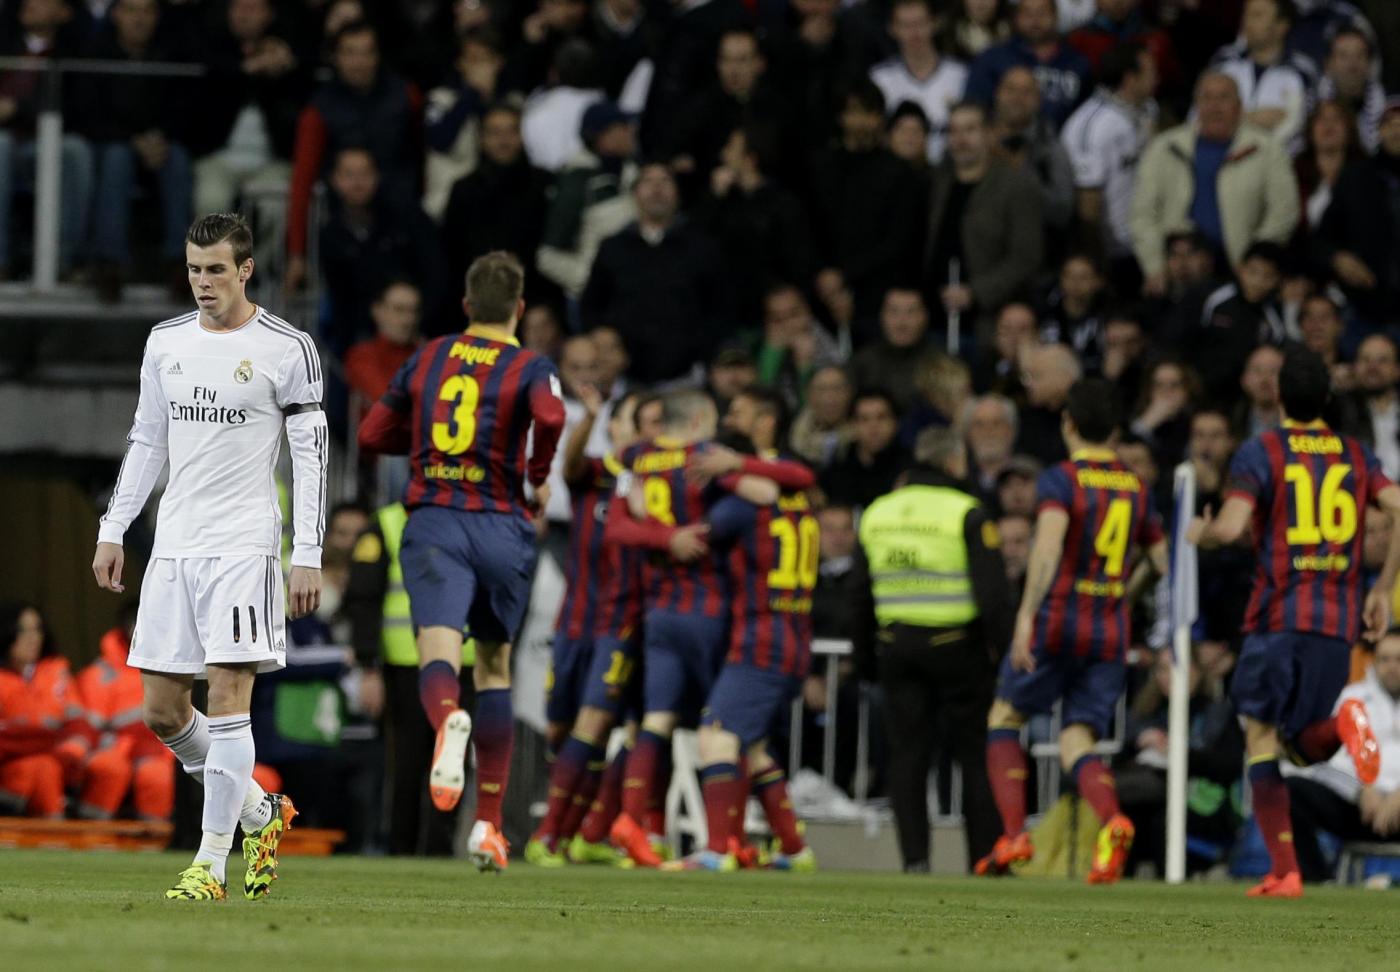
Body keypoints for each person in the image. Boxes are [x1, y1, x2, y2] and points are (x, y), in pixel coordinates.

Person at [92, 213, 324, 901]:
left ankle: (211, 865)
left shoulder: (288, 348)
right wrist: (113, 527)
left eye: (216, 269)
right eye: (194, 270)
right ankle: (259, 812)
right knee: (163, 713)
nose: (203, 282)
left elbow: (312, 457)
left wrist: (307, 552)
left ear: (245, 269)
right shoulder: (165, 342)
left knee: (227, 696)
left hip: (244, 546)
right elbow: (147, 439)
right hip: (175, 544)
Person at [357, 251, 567, 872]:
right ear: (520, 309)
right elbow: (552, 414)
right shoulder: (530, 364)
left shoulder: (430, 356)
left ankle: (448, 720)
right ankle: (488, 827)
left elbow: (371, 434)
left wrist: (424, 441)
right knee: (495, 669)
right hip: (502, 524)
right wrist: (536, 474)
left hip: (437, 521)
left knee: (440, 653)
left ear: (468, 305)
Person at [1189, 347, 1400, 898]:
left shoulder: (1262, 450)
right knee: (1301, 748)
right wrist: (1381, 588)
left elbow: (1231, 527)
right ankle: (1343, 725)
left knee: (1259, 737)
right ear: (1327, 397)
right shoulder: (1355, 453)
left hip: (1278, 616)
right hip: (1336, 624)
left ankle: (1284, 872)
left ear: (1279, 395)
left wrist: (1200, 532)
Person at [602, 390, 813, 866]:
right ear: (699, 421)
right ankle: (739, 843)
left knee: (663, 722)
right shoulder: (708, 462)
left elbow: (616, 526)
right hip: (720, 615)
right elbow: (772, 490)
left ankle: (638, 824)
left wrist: (660, 532)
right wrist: (729, 474)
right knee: (734, 737)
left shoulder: (638, 461)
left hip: (665, 611)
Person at [980, 378, 1168, 884]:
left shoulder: (1063, 479)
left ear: (1068, 424)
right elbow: (1160, 559)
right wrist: (1124, 593)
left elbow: (1047, 546)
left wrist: (1026, 615)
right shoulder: (1135, 485)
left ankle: (1014, 834)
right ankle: (1112, 819)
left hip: (1059, 619)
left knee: (1005, 715)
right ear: (1116, 431)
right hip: (1109, 629)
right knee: (1077, 737)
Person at [855, 427, 1014, 872]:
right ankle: (985, 859)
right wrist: (1004, 655)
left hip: (897, 649)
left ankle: (915, 861)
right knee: (975, 757)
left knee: (907, 758)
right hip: (957, 649)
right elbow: (993, 596)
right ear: (953, 462)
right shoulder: (966, 512)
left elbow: (859, 594)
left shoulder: (878, 513)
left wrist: (865, 661)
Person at [679, 454, 821, 872]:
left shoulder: (747, 510)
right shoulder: (801, 505)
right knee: (753, 749)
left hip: (760, 642)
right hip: (795, 638)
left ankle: (717, 851)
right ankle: (795, 850)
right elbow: (800, 474)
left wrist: (721, 483)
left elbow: (703, 535)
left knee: (716, 738)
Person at [525, 389, 644, 866]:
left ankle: (551, 835)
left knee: (595, 724)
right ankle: (584, 834)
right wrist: (588, 418)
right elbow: (568, 465)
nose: (644, 430)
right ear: (614, 427)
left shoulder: (657, 485)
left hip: (622, 626)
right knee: (562, 732)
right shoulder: (595, 474)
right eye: (635, 419)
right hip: (574, 622)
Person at [344, 501, 475, 857]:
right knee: (408, 763)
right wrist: (369, 666)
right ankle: (403, 848)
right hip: (407, 665)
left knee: (450, 762)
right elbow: (364, 597)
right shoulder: (388, 523)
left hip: (459, 662)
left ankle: (438, 850)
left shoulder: (470, 517)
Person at [1130, 73, 1299, 297]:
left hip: (1241, 276)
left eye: (1223, 98)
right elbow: (1142, 214)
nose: (1215, 107)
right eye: (1207, 98)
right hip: (1177, 278)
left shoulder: (1267, 149)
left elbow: (1284, 211)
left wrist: (1255, 265)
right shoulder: (1165, 147)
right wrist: (1155, 267)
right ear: (1197, 105)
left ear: (1239, 106)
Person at [76, 0, 195, 302]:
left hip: (160, 142)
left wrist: (160, 135)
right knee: (116, 159)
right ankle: (110, 263)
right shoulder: (97, 55)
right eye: (131, 10)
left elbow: (186, 108)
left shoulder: (171, 54)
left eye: (146, 11)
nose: (139, 19)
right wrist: (133, 139)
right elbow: (88, 115)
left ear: (157, 17)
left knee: (178, 159)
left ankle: (180, 262)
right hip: (113, 143)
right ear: (116, 14)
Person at [580, 163, 730, 384]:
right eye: (648, 182)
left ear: (678, 193)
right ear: (634, 194)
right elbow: (591, 305)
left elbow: (720, 308)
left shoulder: (701, 247)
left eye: (665, 181)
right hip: (623, 378)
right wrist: (603, 337)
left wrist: (701, 351)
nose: (656, 189)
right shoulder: (613, 247)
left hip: (685, 376)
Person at [923, 101, 1043, 349]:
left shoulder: (1016, 187)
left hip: (986, 326)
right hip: (931, 320)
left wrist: (975, 292)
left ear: (990, 134)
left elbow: (1026, 257)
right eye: (954, 131)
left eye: (970, 129)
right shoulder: (936, 180)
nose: (960, 139)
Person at [1286, 631, 1400, 883]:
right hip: (1360, 810)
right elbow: (1328, 760)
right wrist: (1361, 789)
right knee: (1291, 789)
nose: (1392, 667)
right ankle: (1317, 882)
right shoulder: (1351, 698)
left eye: (1399, 659)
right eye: (1385, 659)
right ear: (1373, 661)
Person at [1060, 41, 1158, 272]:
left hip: (1146, 240)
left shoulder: (1148, 109)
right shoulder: (1091, 126)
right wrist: (1098, 264)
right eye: (1151, 72)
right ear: (1130, 79)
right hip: (1113, 251)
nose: (1157, 78)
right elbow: (1087, 206)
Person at [73, 604, 177, 821]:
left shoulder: (176, 669)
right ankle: (93, 832)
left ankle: (156, 837)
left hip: (161, 752)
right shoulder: (99, 675)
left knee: (157, 774)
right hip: (111, 752)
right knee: (110, 768)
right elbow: (85, 729)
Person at [0, 604, 85, 820]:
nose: (33, 638)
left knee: (44, 767)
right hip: (9, 769)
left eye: (37, 629)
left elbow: (78, 725)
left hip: (58, 764)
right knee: (38, 767)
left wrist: (68, 751)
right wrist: (42, 742)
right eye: (23, 630)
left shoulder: (57, 671)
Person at [964, 0, 1093, 131]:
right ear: (1016, 17)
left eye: (1042, 13)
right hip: (1004, 138)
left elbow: (1087, 114)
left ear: (1056, 17)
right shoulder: (993, 58)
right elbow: (974, 108)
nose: (1035, 20)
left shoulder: (1078, 63)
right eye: (1027, 14)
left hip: (1063, 139)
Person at [1206, 0, 1316, 152]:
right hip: (1220, 157)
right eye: (1246, 15)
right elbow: (1199, 118)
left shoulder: (1302, 72)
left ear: (1281, 26)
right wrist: (1251, 120)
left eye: (1257, 15)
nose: (1247, 23)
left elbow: (1303, 128)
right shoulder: (1224, 62)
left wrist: (1230, 120)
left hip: (1281, 160)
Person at [868, 0, 969, 163]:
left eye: (920, 23)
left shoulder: (960, 75)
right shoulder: (879, 79)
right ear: (893, 29)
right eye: (906, 25)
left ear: (934, 23)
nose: (914, 33)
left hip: (950, 169)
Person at [820, 390, 910, 509]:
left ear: (895, 423)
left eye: (881, 417)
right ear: (852, 425)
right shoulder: (836, 473)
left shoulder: (910, 470)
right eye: (864, 419)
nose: (873, 426)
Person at [344, 279, 422, 407]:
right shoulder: (361, 356)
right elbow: (388, 403)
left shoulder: (426, 354)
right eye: (399, 310)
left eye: (414, 311)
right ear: (377, 310)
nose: (409, 319)